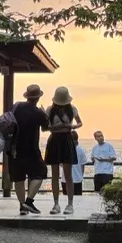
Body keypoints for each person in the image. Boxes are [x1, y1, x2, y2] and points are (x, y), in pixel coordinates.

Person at [12, 83, 49, 215]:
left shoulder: (16, 106)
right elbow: (46, 127)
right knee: (40, 172)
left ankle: (22, 207)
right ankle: (28, 202)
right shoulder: (38, 113)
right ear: (38, 98)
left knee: (18, 178)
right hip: (31, 149)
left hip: (14, 148)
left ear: (27, 96)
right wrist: (45, 113)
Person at [43, 85, 82, 215]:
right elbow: (45, 127)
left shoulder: (72, 109)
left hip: (66, 139)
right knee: (54, 174)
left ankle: (70, 204)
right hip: (55, 139)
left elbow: (80, 123)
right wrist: (56, 127)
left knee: (68, 174)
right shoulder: (49, 110)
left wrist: (70, 126)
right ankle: (56, 204)